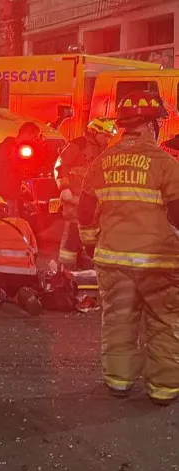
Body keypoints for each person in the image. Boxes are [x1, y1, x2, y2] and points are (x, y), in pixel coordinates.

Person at [78, 90, 179, 406]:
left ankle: (118, 382)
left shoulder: (101, 162)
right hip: (158, 262)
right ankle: (163, 388)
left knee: (119, 320)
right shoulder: (165, 163)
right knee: (164, 322)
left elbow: (85, 210)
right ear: (150, 125)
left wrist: (91, 243)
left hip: (112, 258)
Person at [55, 117, 118, 270]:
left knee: (89, 237)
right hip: (75, 199)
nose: (108, 139)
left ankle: (85, 269)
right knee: (72, 236)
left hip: (92, 202)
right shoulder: (78, 145)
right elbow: (60, 166)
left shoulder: (104, 150)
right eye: (106, 135)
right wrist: (64, 188)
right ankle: (65, 270)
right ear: (94, 132)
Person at [0, 122, 44, 216]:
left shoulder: (6, 150)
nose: (35, 140)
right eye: (35, 137)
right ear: (29, 135)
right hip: (3, 200)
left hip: (1, 198)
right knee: (8, 222)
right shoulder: (11, 152)